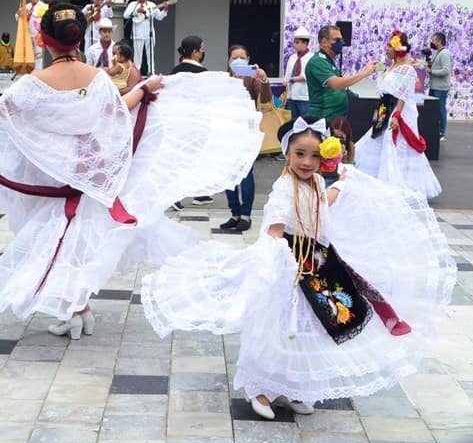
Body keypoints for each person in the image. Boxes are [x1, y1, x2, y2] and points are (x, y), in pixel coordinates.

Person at [0, 2, 263, 339]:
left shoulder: (33, 85)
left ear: (44, 40)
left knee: (57, 244)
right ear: (78, 38)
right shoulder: (98, 79)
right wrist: (144, 89)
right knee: (78, 244)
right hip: (88, 176)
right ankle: (79, 307)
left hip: (51, 179)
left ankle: (72, 311)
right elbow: (119, 113)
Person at [141, 116, 456, 420]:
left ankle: (295, 387)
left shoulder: (318, 182)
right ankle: (261, 389)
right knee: (278, 328)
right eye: (300, 154)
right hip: (287, 266)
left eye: (314, 156)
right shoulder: (283, 188)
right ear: (287, 153)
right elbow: (275, 230)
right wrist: (280, 263)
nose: (306, 162)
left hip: (316, 264)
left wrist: (343, 186)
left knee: (311, 328)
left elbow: (322, 208)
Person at [355, 31, 441, 199]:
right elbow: (384, 89)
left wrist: (397, 116)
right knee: (378, 140)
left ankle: (399, 183)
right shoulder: (392, 66)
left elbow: (403, 94)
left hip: (400, 111)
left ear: (397, 48)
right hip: (386, 108)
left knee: (397, 144)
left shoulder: (407, 69)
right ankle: (379, 179)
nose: (386, 49)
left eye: (389, 46)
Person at [219, 44, 272, 232]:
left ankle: (245, 214)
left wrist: (264, 80)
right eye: (234, 58)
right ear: (228, 60)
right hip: (227, 131)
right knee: (229, 174)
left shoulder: (252, 79)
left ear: (249, 60)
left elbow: (266, 100)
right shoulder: (223, 79)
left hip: (246, 131)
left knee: (245, 173)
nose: (238, 61)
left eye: (242, 57)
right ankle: (234, 212)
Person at [169, 35, 210, 210]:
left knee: (179, 157)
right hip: (197, 119)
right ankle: (198, 192)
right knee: (196, 157)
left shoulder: (175, 71)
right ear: (195, 52)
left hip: (178, 119)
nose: (204, 51)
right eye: (202, 48)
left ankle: (176, 195)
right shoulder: (202, 73)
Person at [305, 25, 377, 120]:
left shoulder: (328, 61)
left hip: (335, 118)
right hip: (323, 118)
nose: (341, 43)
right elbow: (335, 84)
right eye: (337, 40)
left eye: (341, 39)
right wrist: (365, 73)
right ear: (324, 42)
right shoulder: (317, 61)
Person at [123, 0, 168, 75]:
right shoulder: (133, 4)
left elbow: (159, 17)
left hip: (149, 33)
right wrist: (136, 11)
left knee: (150, 54)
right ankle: (136, 73)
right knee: (137, 55)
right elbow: (125, 15)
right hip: (137, 33)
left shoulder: (152, 5)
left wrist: (165, 10)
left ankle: (151, 72)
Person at [426, 32, 452, 141]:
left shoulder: (445, 53)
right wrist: (427, 59)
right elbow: (433, 66)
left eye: (433, 40)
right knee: (433, 110)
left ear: (439, 41)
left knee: (440, 109)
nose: (431, 42)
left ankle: (441, 132)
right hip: (434, 86)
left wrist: (431, 71)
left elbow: (446, 71)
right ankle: (434, 130)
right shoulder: (438, 53)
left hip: (440, 88)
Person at [282, 26, 312, 119]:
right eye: (295, 42)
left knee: (305, 122)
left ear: (305, 43)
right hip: (292, 96)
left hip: (304, 97)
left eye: (298, 42)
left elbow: (306, 76)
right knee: (292, 123)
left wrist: (292, 79)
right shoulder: (292, 58)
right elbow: (287, 74)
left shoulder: (311, 58)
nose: (295, 45)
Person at [15, 0, 48, 70]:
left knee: (38, 53)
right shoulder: (26, 6)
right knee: (27, 52)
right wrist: (19, 13)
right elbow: (16, 17)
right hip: (27, 32)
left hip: (38, 33)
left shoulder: (44, 6)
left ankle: (38, 70)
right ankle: (27, 69)